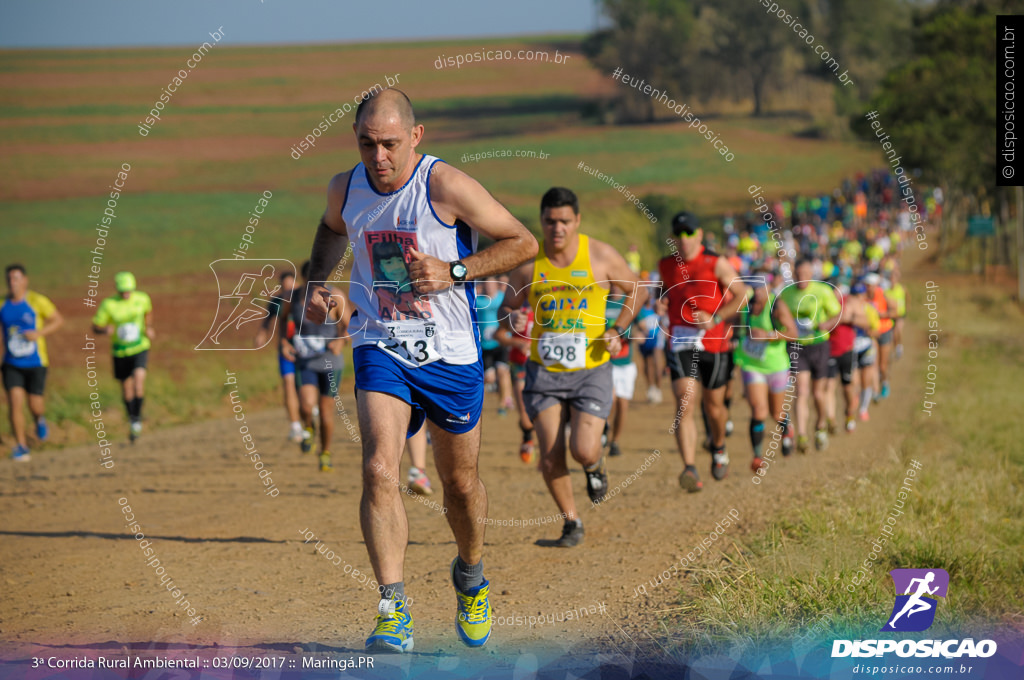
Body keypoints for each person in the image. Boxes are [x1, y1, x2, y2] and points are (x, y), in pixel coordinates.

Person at [304, 88, 537, 652]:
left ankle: (471, 576)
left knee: (458, 485)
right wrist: (319, 285)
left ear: (416, 136)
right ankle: (392, 609)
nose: (378, 156)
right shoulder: (346, 187)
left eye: (388, 143)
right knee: (381, 469)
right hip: (380, 344)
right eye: (366, 143)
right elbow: (333, 228)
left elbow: (522, 242)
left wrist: (455, 268)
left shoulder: (445, 186)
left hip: (451, 354)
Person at [502, 187, 645, 546]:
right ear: (542, 222)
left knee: (583, 449)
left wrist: (617, 328)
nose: (557, 228)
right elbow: (506, 310)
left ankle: (594, 467)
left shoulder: (599, 255)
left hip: (591, 370)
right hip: (544, 372)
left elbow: (637, 289)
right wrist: (514, 320)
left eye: (565, 221)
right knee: (550, 456)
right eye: (550, 221)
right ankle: (572, 522)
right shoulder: (530, 265)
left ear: (577, 220)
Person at [659, 212, 748, 491]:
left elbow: (743, 295)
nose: (684, 239)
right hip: (681, 340)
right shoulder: (665, 265)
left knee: (714, 407)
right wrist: (662, 303)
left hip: (715, 343)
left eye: (689, 233)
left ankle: (718, 446)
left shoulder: (716, 263)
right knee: (685, 401)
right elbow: (666, 292)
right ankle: (689, 467)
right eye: (679, 234)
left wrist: (716, 318)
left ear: (698, 234)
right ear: (673, 238)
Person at [282, 261, 347, 471]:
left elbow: (350, 325)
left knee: (326, 412)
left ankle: (325, 452)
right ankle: (308, 426)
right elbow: (283, 319)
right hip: (306, 360)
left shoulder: (335, 296)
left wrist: (342, 341)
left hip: (330, 361)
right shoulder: (293, 297)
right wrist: (284, 342)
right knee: (306, 405)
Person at [730, 270, 797, 470]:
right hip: (751, 364)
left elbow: (793, 333)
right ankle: (757, 456)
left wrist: (768, 334)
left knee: (776, 413)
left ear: (769, 286)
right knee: (758, 410)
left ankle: (787, 430)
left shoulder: (777, 305)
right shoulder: (746, 305)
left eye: (761, 287)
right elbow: (734, 325)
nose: (758, 292)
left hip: (776, 365)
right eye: (754, 288)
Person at [778, 258, 842, 453]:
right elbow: (779, 317)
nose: (802, 278)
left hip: (819, 345)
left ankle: (820, 425)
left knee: (817, 393)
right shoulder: (786, 294)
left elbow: (837, 314)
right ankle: (802, 435)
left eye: (806, 274)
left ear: (811, 274)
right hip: (797, 347)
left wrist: (826, 325)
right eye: (798, 274)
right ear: (794, 275)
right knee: (802, 391)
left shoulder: (822, 291)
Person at [2, 264, 63, 461]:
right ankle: (21, 446)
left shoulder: (37, 301)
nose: (13, 282)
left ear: (25, 280)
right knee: (14, 403)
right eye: (10, 279)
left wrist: (38, 333)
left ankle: (39, 419)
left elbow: (57, 320)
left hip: (36, 362)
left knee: (35, 405)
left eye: (16, 278)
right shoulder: (3, 305)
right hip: (12, 363)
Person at [91, 272, 154, 442]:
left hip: (140, 347)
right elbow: (96, 325)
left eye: (129, 291)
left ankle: (138, 417)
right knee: (127, 389)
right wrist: (105, 330)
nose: (126, 294)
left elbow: (148, 312)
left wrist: (148, 327)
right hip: (120, 350)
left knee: (139, 381)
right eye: (123, 291)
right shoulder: (109, 304)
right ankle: (133, 419)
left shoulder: (142, 299)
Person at [254, 270, 303, 442]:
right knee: (288, 383)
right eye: (285, 287)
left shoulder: (305, 299)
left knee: (304, 387)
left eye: (291, 286)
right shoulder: (277, 302)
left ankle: (310, 414)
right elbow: (267, 320)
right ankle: (295, 426)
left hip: (308, 351)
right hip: (286, 349)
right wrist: (262, 334)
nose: (288, 290)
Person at [494, 305, 536, 463]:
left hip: (544, 367)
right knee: (525, 416)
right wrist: (517, 342)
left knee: (546, 411)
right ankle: (527, 438)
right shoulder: (520, 312)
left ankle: (548, 451)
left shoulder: (550, 311)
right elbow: (498, 335)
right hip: (520, 366)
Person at [605, 289, 639, 458]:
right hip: (605, 362)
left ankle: (615, 441)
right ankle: (604, 429)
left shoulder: (629, 302)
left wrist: (639, 334)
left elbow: (643, 326)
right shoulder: (602, 300)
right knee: (610, 400)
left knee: (623, 405)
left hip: (625, 363)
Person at [475, 278, 513, 415]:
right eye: (487, 285)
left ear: (497, 286)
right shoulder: (478, 300)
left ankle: (504, 403)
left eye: (492, 285)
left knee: (503, 372)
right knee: (489, 377)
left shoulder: (502, 298)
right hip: (485, 346)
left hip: (501, 342)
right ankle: (478, 403)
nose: (489, 288)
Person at [864, 272, 895, 400]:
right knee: (873, 364)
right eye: (867, 285)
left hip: (885, 331)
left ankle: (885, 383)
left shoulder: (883, 294)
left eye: (871, 285)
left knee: (882, 365)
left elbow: (895, 311)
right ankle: (875, 391)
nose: (869, 288)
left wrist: (882, 314)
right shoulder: (863, 297)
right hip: (872, 333)